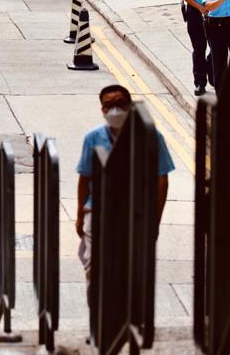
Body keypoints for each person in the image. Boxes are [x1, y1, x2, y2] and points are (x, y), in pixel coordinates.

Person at [75, 85, 175, 307]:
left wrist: (155, 219)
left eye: (120, 104)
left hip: (134, 211)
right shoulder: (93, 138)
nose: (115, 110)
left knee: (131, 268)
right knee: (94, 265)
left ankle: (130, 319)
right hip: (98, 210)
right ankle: (98, 320)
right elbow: (84, 177)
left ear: (130, 106)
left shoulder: (150, 137)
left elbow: (162, 178)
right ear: (101, 109)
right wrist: (81, 214)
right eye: (108, 106)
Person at [176, 0, 216, 96]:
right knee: (198, 49)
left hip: (215, 13)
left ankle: (213, 74)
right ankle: (200, 82)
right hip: (195, 12)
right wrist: (199, 7)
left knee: (216, 48)